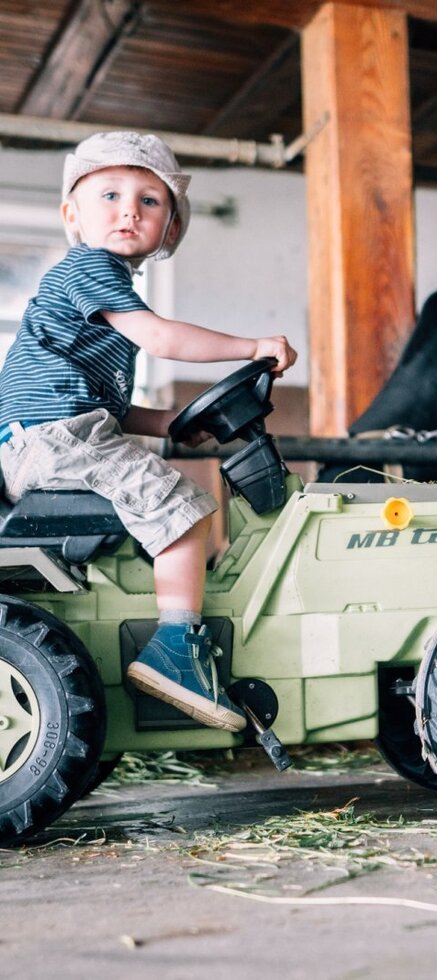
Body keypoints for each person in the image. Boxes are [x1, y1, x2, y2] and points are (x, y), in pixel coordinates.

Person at [0, 131, 296, 733]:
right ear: (72, 216)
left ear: (171, 229)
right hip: (56, 442)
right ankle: (174, 652)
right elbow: (163, 338)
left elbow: (108, 406)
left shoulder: (106, 293)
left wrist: (168, 424)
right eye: (109, 194)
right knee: (186, 510)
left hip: (57, 436)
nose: (129, 209)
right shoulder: (88, 267)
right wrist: (253, 346)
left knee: (162, 491)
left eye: (150, 200)